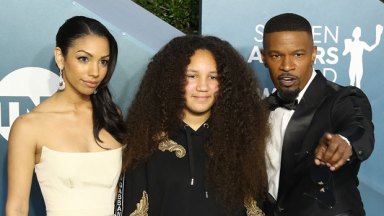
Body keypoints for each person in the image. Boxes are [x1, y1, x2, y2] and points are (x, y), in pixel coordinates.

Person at [121, 35, 269, 216]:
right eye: (192, 76)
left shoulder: (242, 141)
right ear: (172, 79)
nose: (203, 86)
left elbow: (255, 209)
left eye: (213, 77)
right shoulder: (145, 142)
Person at [6, 16, 125, 216]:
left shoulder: (111, 115)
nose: (95, 72)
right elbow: (16, 209)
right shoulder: (28, 127)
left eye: (103, 61)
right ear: (60, 58)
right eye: (83, 59)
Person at [261, 13, 374, 216]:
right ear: (263, 57)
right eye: (276, 55)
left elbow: (358, 126)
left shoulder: (343, 98)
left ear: (313, 54)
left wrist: (346, 142)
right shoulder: (260, 111)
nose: (287, 66)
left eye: (298, 54)